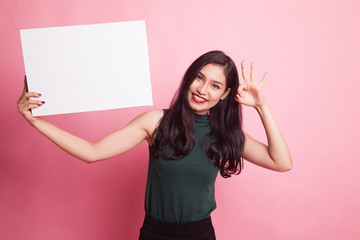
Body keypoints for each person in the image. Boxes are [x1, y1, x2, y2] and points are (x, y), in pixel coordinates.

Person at [17, 50, 292, 240]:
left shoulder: (226, 134)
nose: (202, 89)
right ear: (189, 78)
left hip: (200, 235)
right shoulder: (156, 122)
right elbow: (92, 152)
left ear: (225, 95)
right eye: (199, 78)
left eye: (215, 86)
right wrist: (36, 122)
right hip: (155, 233)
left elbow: (282, 162)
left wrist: (262, 106)